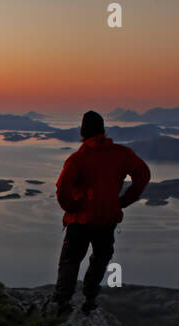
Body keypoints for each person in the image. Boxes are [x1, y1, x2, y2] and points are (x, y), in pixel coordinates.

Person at [52, 110, 150, 314]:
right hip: (106, 219)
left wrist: (71, 207)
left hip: (80, 219)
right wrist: (122, 201)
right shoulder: (122, 154)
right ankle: (89, 298)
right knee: (101, 257)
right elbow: (143, 175)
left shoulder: (77, 159)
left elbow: (62, 188)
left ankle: (61, 302)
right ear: (103, 131)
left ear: (83, 132)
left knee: (71, 259)